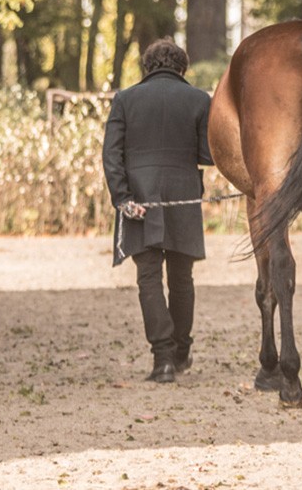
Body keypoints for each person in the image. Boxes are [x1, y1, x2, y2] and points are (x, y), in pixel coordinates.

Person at [103, 39, 214, 383]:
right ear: (182, 68)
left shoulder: (125, 99)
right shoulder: (199, 99)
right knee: (182, 279)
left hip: (139, 197)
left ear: (148, 66)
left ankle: (162, 359)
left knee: (148, 278)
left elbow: (112, 155)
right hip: (183, 196)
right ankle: (181, 350)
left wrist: (122, 197)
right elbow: (208, 156)